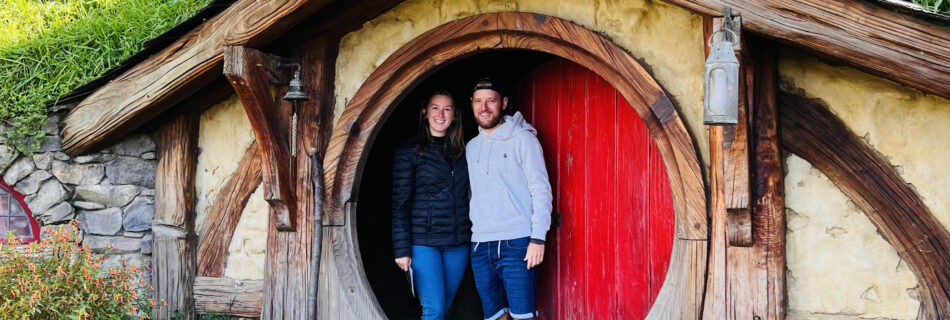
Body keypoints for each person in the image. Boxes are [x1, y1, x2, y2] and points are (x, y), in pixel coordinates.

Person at [466, 78, 553, 320]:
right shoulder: (471, 147)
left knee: (523, 316)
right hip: (480, 245)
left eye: (491, 101)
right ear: (472, 105)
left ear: (503, 103)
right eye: (478, 102)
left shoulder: (524, 139)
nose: (484, 108)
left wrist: (538, 238)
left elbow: (540, 189)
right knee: (495, 316)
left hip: (517, 243)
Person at [392, 90, 472, 320]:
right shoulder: (409, 152)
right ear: (425, 112)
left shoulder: (464, 151)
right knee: (434, 309)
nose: (441, 114)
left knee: (444, 307)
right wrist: (402, 249)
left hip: (458, 242)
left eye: (447, 109)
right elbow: (400, 203)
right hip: (424, 242)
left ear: (455, 115)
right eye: (435, 108)